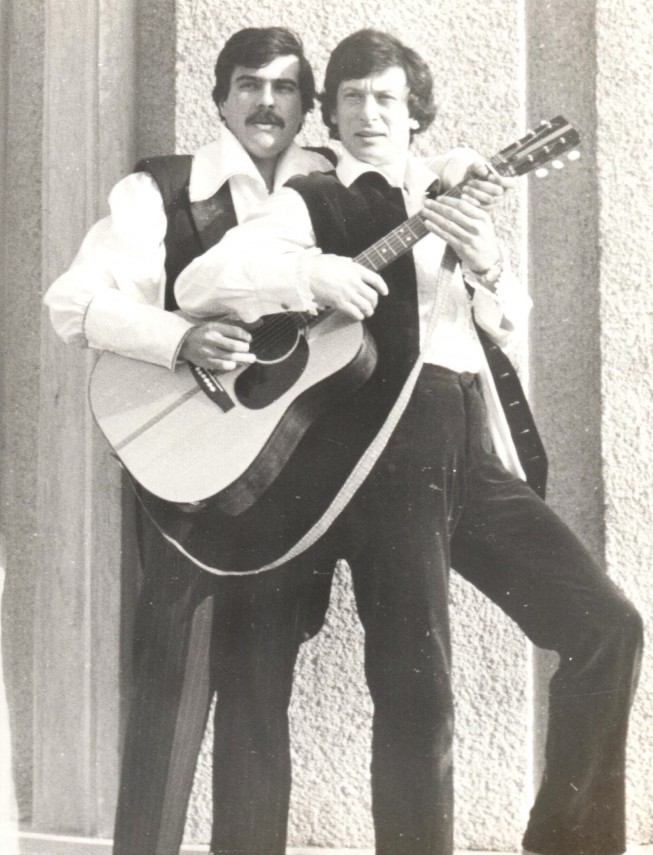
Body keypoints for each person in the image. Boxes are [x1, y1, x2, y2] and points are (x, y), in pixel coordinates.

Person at [175, 29, 644, 855]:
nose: (368, 113)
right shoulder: (309, 200)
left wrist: (488, 260)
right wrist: (309, 273)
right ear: (330, 111)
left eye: (386, 98)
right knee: (417, 689)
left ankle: (566, 842)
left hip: (467, 444)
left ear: (415, 112)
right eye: (351, 97)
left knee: (607, 627)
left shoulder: (453, 190)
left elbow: (508, 324)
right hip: (374, 454)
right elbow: (199, 282)